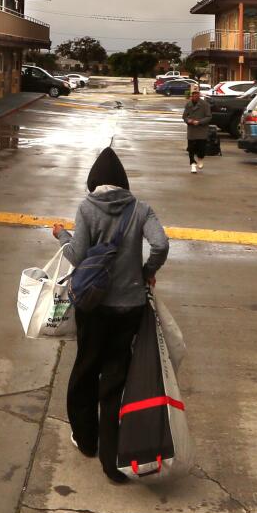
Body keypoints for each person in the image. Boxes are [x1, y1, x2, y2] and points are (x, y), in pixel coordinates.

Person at [53, 145, 169, 484]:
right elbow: (161, 245)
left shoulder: (87, 208)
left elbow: (77, 256)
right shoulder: (141, 209)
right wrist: (148, 270)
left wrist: (61, 235)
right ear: (124, 182)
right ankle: (111, 459)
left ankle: (87, 440)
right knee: (116, 376)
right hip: (130, 306)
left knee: (86, 368)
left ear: (93, 182)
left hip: (95, 306)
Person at [181, 87, 214, 172]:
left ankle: (200, 159)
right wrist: (188, 120)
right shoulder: (188, 104)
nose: (195, 95)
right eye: (193, 94)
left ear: (199, 94)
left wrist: (199, 122)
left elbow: (209, 117)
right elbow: (184, 116)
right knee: (191, 148)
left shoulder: (205, 104)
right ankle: (192, 164)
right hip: (192, 129)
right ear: (191, 95)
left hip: (201, 129)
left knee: (201, 147)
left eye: (196, 94)